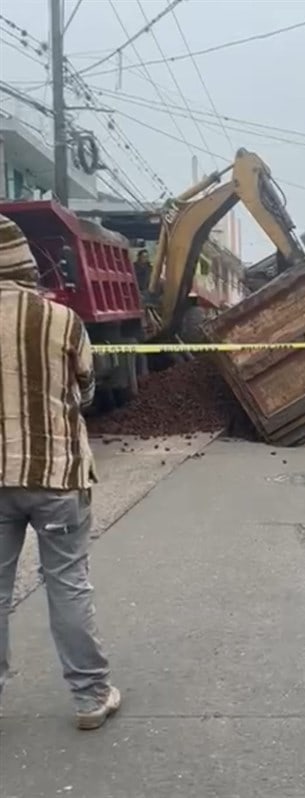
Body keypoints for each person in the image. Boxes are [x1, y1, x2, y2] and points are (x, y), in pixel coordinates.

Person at [0, 214, 120, 730]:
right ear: (27, 265)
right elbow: (87, 390)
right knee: (67, 582)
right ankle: (91, 696)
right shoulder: (62, 320)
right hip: (56, 476)